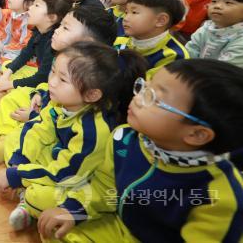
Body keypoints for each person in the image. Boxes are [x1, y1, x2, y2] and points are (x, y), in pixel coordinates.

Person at [39, 59, 243, 243]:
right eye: (144, 87)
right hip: (120, 226)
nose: (137, 99)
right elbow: (104, 186)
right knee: (55, 230)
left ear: (197, 134)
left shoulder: (221, 197)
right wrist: (73, 210)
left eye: (153, 98)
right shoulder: (124, 138)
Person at [0, 42, 147, 231]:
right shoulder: (60, 103)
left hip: (79, 178)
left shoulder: (94, 131)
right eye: (53, 72)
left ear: (91, 95)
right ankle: (25, 189)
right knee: (15, 141)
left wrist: (18, 174)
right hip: (64, 160)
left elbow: (66, 174)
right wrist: (20, 161)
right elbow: (38, 129)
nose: (51, 82)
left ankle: (28, 202)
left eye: (63, 80)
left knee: (38, 196)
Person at [0, 5, 118, 167]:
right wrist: (39, 94)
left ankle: (9, 147)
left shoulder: (91, 78)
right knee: (10, 100)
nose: (57, 30)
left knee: (30, 138)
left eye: (65, 28)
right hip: (50, 103)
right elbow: (49, 83)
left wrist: (34, 115)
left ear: (87, 43)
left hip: (57, 125)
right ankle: (4, 140)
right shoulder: (61, 54)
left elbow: (60, 112)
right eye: (60, 25)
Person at [0, 0, 73, 92]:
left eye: (36, 5)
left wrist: (10, 84)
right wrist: (7, 74)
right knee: (7, 66)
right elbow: (25, 54)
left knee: (13, 97)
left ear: (51, 17)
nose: (30, 8)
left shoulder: (54, 41)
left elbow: (42, 78)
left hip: (50, 84)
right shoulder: (38, 31)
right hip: (40, 74)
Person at [116, 0, 188, 79]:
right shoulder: (122, 39)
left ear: (160, 20)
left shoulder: (174, 56)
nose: (125, 18)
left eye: (134, 12)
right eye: (126, 12)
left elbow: (148, 89)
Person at [186, 0, 243, 66]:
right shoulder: (206, 28)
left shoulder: (240, 38)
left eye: (228, 3)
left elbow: (226, 69)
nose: (217, 6)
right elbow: (189, 52)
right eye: (214, 1)